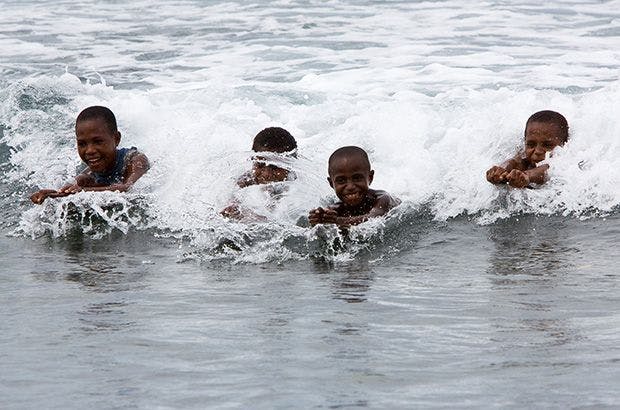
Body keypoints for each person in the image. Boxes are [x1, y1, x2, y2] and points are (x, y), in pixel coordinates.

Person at [30, 106, 149, 204]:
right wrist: (52, 195)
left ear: (116, 139)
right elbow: (71, 190)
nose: (89, 150)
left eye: (98, 142)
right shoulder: (87, 175)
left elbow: (128, 188)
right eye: (82, 144)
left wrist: (84, 191)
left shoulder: (135, 160)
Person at [308, 146, 400, 228]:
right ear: (331, 184)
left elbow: (374, 217)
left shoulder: (383, 198)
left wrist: (337, 221)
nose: (350, 187)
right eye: (341, 180)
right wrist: (318, 219)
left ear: (370, 177)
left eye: (357, 178)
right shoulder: (335, 209)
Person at [221, 127, 297, 219]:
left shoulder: (297, 185)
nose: (266, 174)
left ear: (290, 165)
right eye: (260, 165)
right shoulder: (247, 179)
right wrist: (232, 208)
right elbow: (233, 199)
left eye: (275, 167)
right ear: (253, 160)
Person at [486, 110, 568, 188]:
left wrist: (527, 176)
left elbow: (547, 169)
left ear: (564, 144)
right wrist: (500, 171)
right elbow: (514, 161)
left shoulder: (568, 162)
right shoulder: (524, 156)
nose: (537, 151)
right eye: (531, 144)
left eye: (547, 145)